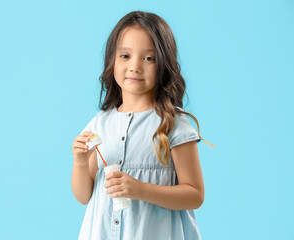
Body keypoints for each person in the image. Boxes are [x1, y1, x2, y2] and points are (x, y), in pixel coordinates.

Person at [71, 10, 215, 240]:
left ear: (164, 63)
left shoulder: (173, 123)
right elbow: (83, 195)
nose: (135, 66)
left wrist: (141, 190)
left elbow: (195, 194)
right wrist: (79, 163)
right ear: (112, 60)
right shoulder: (100, 124)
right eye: (125, 56)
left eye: (148, 58)